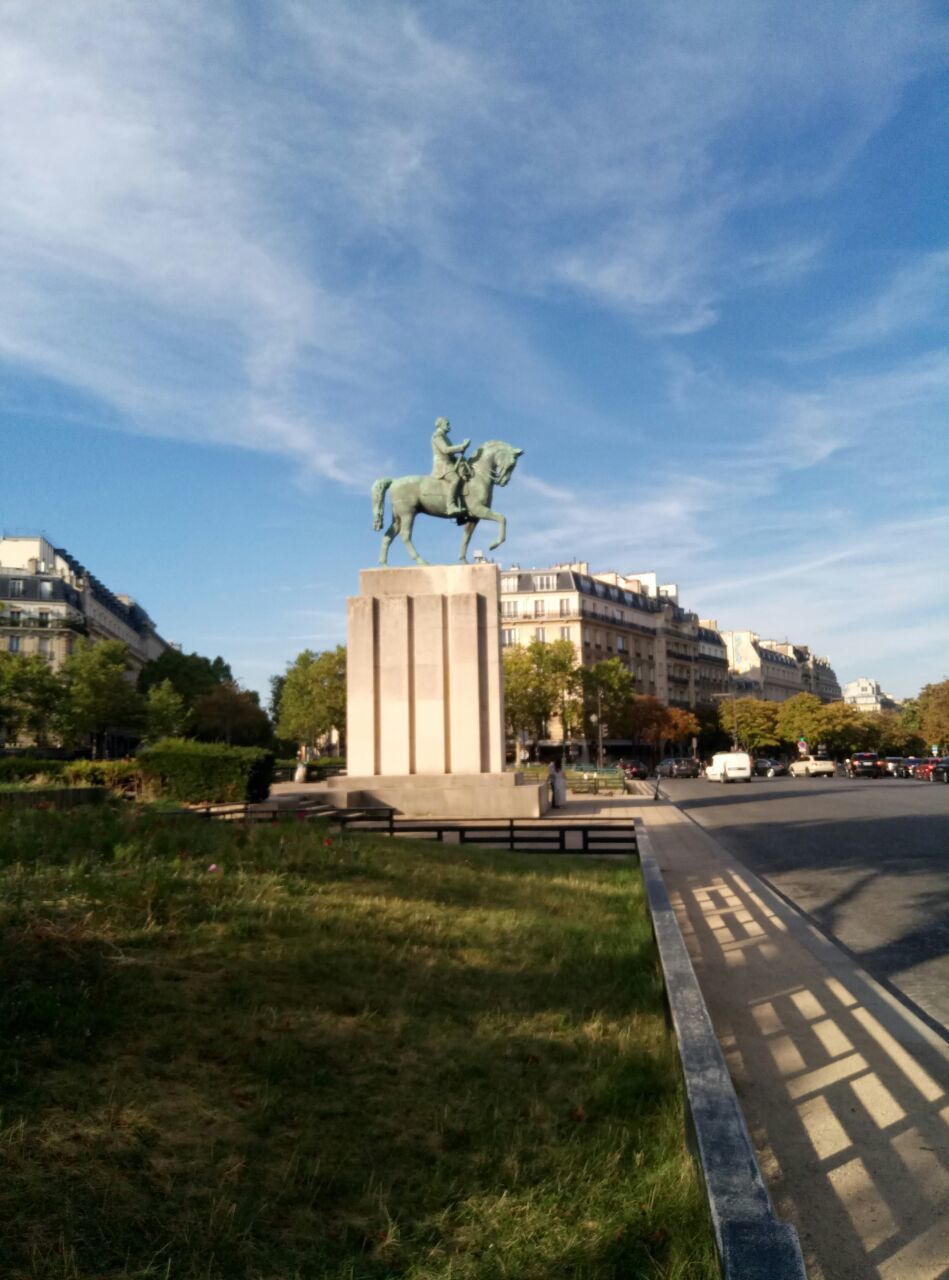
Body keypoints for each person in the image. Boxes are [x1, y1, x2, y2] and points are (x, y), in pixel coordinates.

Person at [431, 417, 470, 517]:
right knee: (455, 480)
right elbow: (445, 450)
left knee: (464, 478)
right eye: (447, 424)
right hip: (442, 464)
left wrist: (461, 454)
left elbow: (451, 453)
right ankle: (450, 506)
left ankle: (461, 509)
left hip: (450, 463)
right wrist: (462, 446)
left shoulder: (445, 437)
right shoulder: (437, 435)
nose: (449, 426)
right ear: (441, 424)